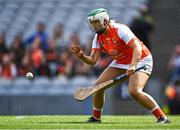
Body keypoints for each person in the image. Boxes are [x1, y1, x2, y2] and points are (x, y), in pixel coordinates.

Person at [71, 8, 170, 123]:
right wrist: (82, 56)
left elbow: (137, 47)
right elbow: (93, 60)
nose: (94, 26)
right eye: (92, 23)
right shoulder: (98, 37)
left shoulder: (119, 29)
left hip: (141, 59)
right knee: (98, 87)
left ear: (104, 20)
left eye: (96, 22)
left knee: (134, 91)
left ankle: (162, 117)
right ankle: (96, 118)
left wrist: (133, 66)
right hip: (120, 62)